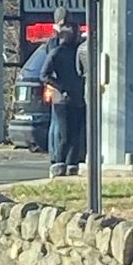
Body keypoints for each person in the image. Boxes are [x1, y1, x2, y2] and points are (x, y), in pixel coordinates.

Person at [40, 22, 85, 177]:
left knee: (77, 135)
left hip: (79, 98)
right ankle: (59, 164)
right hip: (62, 100)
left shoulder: (81, 51)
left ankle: (72, 165)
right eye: (76, 34)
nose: (79, 37)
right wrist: (61, 86)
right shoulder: (57, 52)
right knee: (65, 135)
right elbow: (44, 75)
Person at [44, 6, 73, 160]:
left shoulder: (59, 40)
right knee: (56, 124)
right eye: (66, 22)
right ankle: (55, 157)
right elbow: (51, 66)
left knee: (58, 124)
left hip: (60, 88)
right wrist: (58, 85)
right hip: (57, 88)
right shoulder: (54, 42)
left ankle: (59, 156)